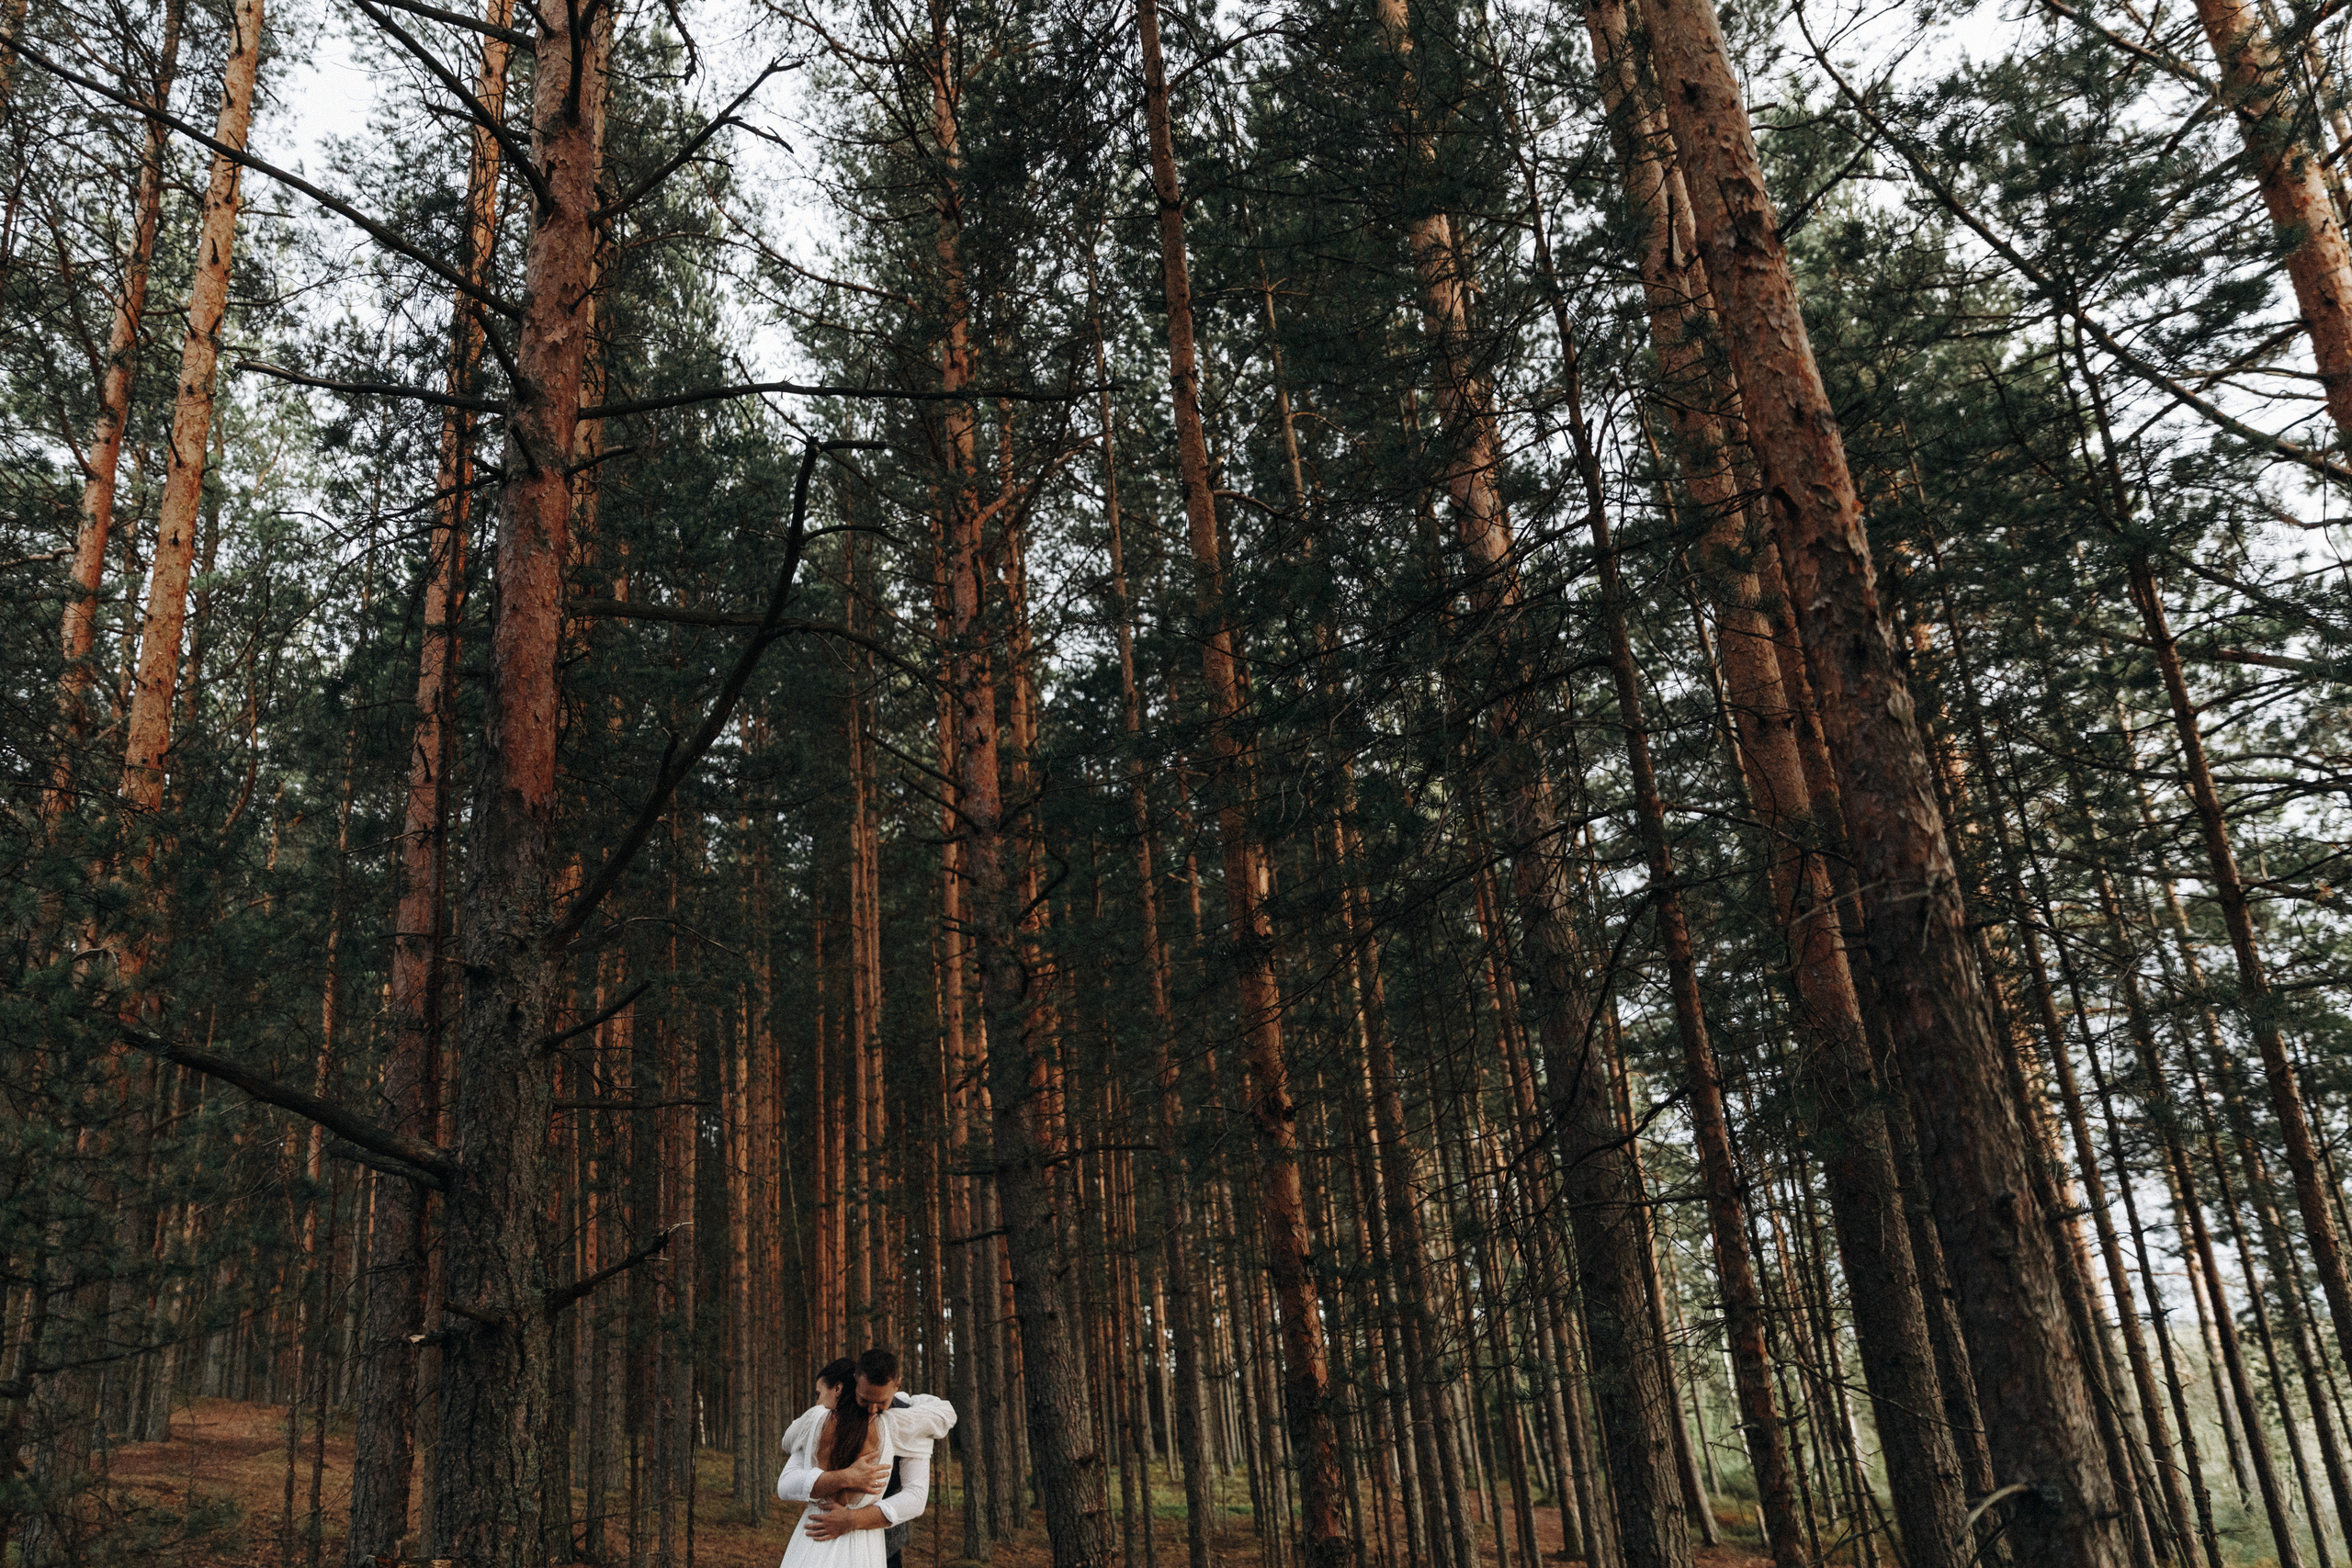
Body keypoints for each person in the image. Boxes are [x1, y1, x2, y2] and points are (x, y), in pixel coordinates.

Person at [777, 1348, 956, 1568]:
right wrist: (846, 1477)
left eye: (881, 1402)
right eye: (864, 1399)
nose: (872, 1410)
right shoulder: (821, 1419)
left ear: (896, 1386)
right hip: (824, 1533)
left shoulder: (897, 1420)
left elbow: (916, 1496)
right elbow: (785, 1480)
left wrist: (853, 1520)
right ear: (854, 1381)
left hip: (871, 1534)